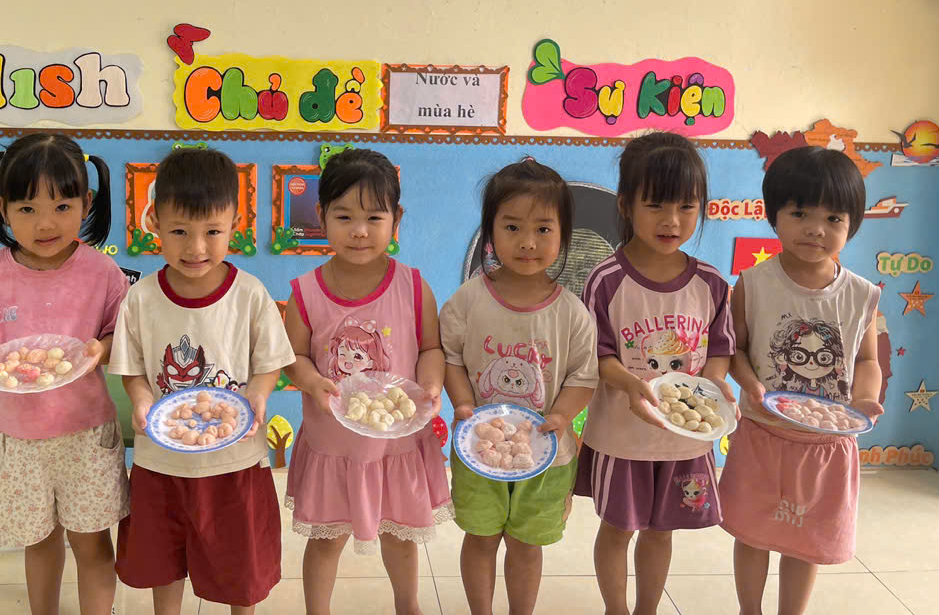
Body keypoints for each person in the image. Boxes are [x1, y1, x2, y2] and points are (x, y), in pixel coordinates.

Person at [0, 133, 129, 615]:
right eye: (27, 209)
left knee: (92, 543)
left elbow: (124, 334)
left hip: (86, 435)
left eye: (62, 206)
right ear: (2, 208)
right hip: (17, 438)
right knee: (39, 542)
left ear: (86, 203)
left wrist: (103, 348)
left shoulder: (102, 273)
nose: (46, 224)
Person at [110, 147, 295, 615]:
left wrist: (258, 395)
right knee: (162, 564)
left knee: (241, 569)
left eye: (212, 232)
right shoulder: (141, 299)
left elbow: (269, 361)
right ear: (154, 223)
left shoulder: (250, 294)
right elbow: (132, 368)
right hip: (161, 462)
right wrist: (141, 400)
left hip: (235, 463)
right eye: (179, 232)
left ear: (235, 224)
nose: (195, 248)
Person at [283, 148, 451, 615]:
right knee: (326, 540)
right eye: (344, 217)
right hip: (333, 447)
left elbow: (431, 348)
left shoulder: (413, 286)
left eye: (374, 217)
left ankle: (408, 606)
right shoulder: (305, 292)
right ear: (321, 216)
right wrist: (312, 381)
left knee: (401, 536)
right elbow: (292, 358)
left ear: (396, 219)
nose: (359, 230)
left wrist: (431, 386)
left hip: (397, 447)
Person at [574, 131, 736, 615]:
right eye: (656, 205)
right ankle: (616, 610)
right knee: (617, 529)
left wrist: (714, 385)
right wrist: (630, 384)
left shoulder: (710, 283)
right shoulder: (606, 280)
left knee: (662, 531)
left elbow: (721, 349)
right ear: (626, 205)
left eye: (686, 207)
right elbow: (598, 355)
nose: (672, 221)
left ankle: (647, 609)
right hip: (624, 435)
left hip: (684, 438)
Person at [720, 146, 883, 615]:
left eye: (833, 218)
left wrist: (865, 398)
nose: (816, 228)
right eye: (800, 213)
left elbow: (867, 359)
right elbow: (734, 349)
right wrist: (750, 384)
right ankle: (749, 610)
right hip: (764, 435)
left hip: (826, 445)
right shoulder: (753, 283)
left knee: (805, 542)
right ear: (774, 216)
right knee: (752, 534)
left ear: (851, 225)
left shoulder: (861, 295)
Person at [439, 158, 599, 615]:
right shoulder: (469, 299)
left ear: (563, 235)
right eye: (512, 227)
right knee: (481, 537)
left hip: (547, 456)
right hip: (478, 450)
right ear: (491, 231)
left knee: (528, 545)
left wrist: (561, 416)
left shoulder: (572, 312)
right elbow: (450, 357)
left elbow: (583, 376)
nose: (528, 242)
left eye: (543, 229)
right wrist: (463, 403)